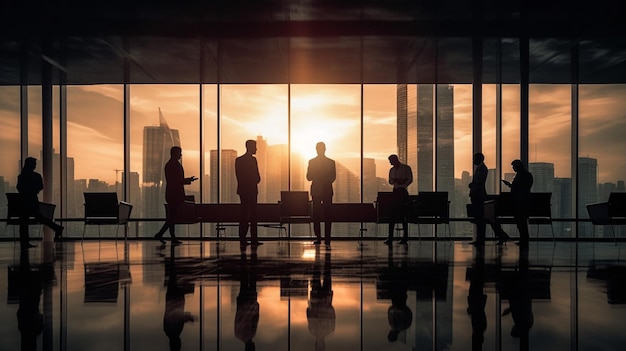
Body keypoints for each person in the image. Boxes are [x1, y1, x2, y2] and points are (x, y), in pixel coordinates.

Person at [17, 157, 64, 248]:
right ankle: (57, 228)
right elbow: (40, 187)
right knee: (39, 218)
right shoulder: (36, 176)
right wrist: (33, 190)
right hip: (32, 200)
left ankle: (24, 242)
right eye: (34, 164)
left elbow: (19, 188)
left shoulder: (21, 176)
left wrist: (27, 191)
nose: (35, 166)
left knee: (24, 222)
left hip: (24, 201)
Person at [154, 146, 197, 245]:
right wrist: (187, 180)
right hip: (175, 195)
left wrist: (186, 180)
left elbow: (175, 180)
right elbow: (176, 181)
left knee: (172, 218)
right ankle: (164, 235)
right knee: (172, 218)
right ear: (175, 153)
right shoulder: (173, 165)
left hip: (173, 194)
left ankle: (164, 235)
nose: (181, 155)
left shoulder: (170, 165)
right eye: (180, 153)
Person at [468, 153, 509, 246]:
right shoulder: (482, 168)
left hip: (478, 196)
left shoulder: (482, 169)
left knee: (480, 219)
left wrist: (472, 185)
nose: (473, 161)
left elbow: (479, 182)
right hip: (478, 196)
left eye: (474, 159)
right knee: (483, 219)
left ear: (479, 159)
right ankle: (499, 236)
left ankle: (481, 239)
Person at [163, 245, 196, 351]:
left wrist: (187, 318)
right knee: (173, 277)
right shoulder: (171, 332)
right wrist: (187, 318)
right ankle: (169, 261)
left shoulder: (173, 332)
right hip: (173, 299)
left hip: (175, 299)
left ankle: (169, 260)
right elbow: (176, 318)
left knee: (174, 277)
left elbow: (176, 317)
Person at [306, 142, 336, 248]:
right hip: (325, 189)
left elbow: (309, 177)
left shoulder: (313, 162)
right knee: (320, 215)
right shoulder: (330, 162)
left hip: (320, 189)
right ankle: (323, 238)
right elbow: (309, 176)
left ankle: (321, 238)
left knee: (322, 215)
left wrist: (318, 176)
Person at [307, 247, 335, 351]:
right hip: (320, 299)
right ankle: (321, 257)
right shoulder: (313, 330)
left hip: (324, 299)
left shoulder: (329, 329)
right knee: (319, 273)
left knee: (324, 273)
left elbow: (332, 314)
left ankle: (322, 256)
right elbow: (309, 313)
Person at [235, 140, 262, 248]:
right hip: (252, 190)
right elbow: (257, 177)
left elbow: (239, 177)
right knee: (253, 215)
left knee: (244, 214)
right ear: (250, 147)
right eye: (255, 147)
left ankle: (243, 238)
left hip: (243, 190)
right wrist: (253, 181)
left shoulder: (239, 160)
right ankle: (253, 238)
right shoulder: (253, 160)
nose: (256, 149)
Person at [502, 159, 534, 244]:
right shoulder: (527, 175)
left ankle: (524, 239)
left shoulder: (520, 176)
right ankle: (524, 239)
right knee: (522, 221)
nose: (513, 169)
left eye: (514, 167)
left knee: (520, 221)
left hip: (519, 202)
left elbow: (518, 188)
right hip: (524, 201)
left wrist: (511, 186)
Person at [385, 154, 413, 245]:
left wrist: (402, 184)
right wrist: (396, 181)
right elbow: (390, 181)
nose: (390, 163)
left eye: (391, 161)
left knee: (402, 216)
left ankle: (404, 237)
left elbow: (409, 179)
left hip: (402, 192)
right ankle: (391, 238)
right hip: (396, 192)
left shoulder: (405, 168)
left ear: (395, 160)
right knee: (392, 216)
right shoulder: (392, 170)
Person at [235, 251, 259, 351]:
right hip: (242, 302)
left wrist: (257, 305)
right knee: (244, 279)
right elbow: (237, 317)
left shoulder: (251, 333)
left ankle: (252, 258)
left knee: (252, 278)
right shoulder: (237, 334)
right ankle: (244, 259)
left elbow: (255, 317)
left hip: (251, 302)